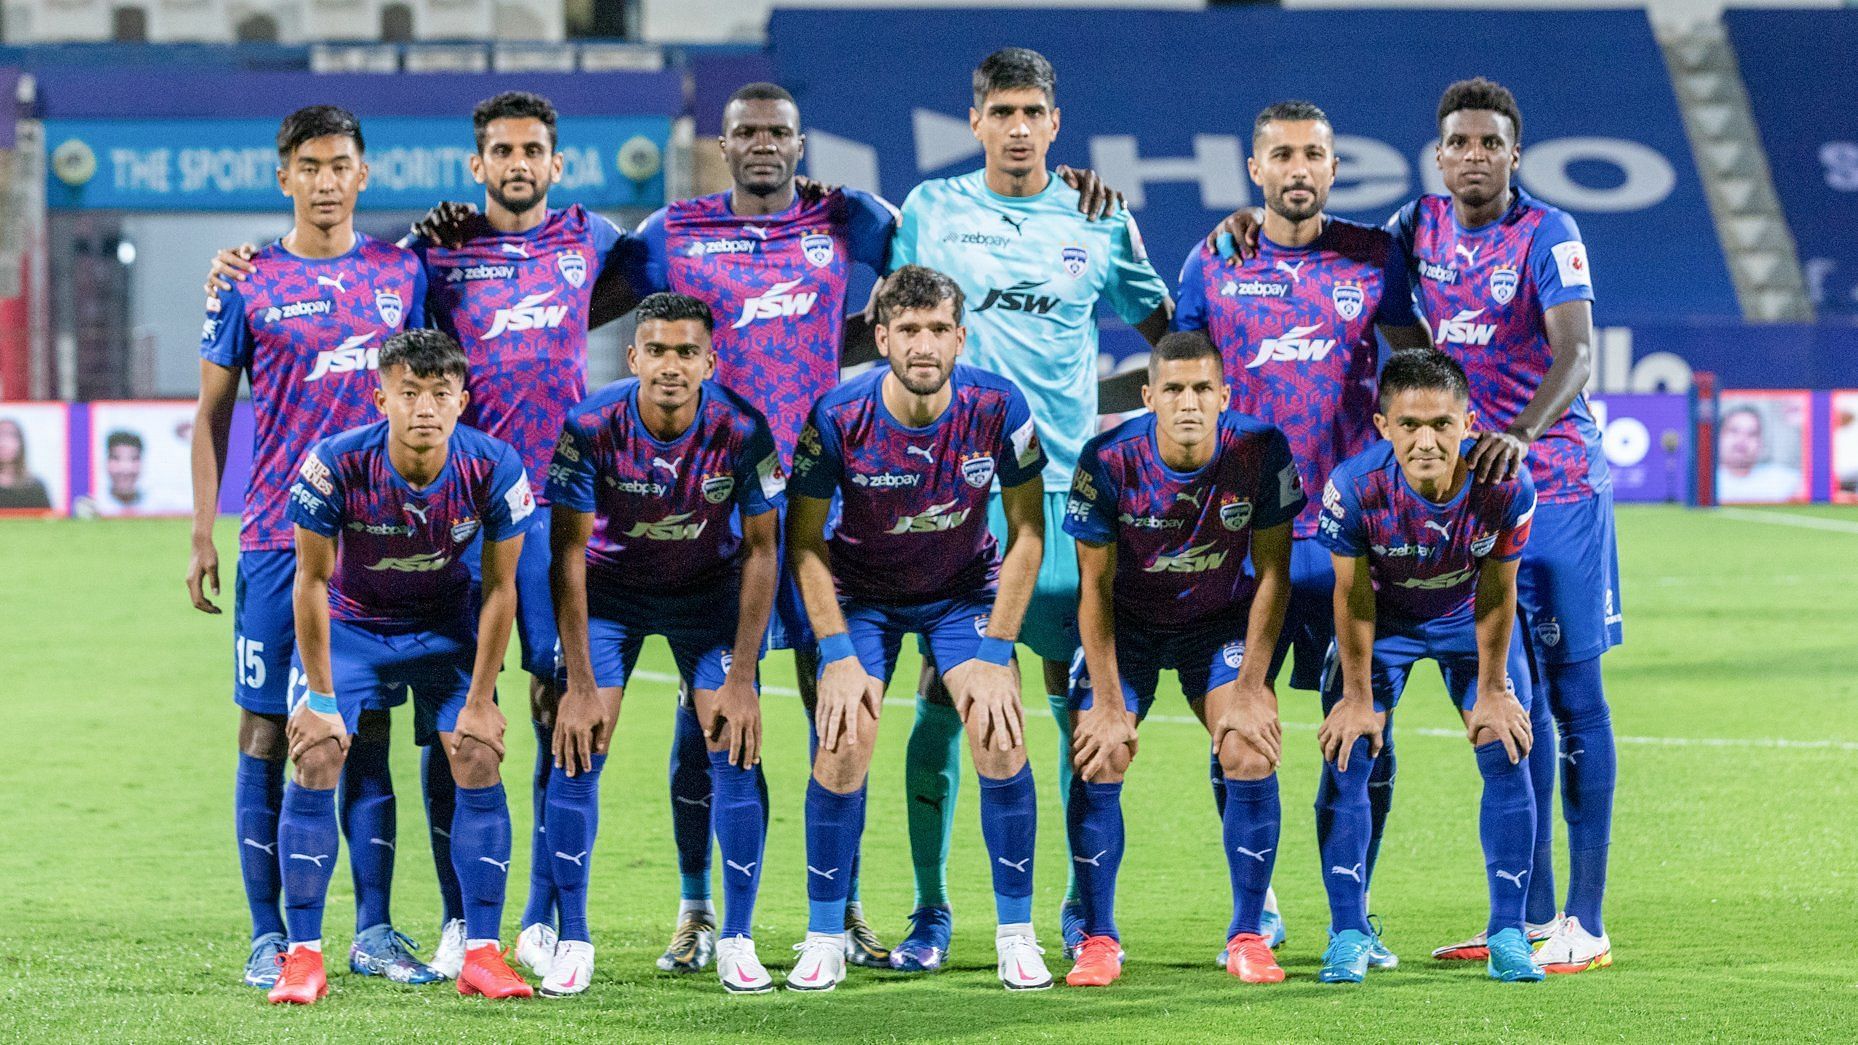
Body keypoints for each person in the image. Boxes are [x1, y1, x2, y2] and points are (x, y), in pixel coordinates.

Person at [612, 82, 1126, 971]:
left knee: (832, 716)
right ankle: (698, 909)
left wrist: (1062, 184)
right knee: (710, 711)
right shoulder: (671, 232)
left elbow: (930, 277)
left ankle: (840, 910)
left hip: (826, 497)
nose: (763, 144)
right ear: (722, 144)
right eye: (746, 132)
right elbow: (582, 306)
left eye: (778, 131)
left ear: (801, 143)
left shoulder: (850, 220)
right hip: (714, 499)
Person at [206, 91, 644, 981]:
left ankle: (515, 920)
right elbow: (221, 405)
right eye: (500, 150)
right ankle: (331, 931)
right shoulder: (412, 261)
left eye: (534, 149)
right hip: (335, 530)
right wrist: (198, 531)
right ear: (475, 165)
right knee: (296, 730)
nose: (519, 163)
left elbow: (645, 292)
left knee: (525, 716)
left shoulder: (550, 246)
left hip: (509, 518)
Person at [886, 46, 1173, 967]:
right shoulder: (932, 210)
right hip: (959, 499)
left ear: (1056, 123)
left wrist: (1132, 407)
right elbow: (892, 326)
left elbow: (1169, 333)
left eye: (1032, 113)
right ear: (976, 121)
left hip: (1069, 496)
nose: (1017, 128)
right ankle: (932, 911)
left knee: (1078, 701)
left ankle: (1085, 909)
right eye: (1000, 111)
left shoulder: (1099, 217)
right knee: (942, 698)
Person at [1173, 100, 1429, 964]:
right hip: (1245, 543)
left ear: (1333, 164)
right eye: (1281, 154)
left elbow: (1422, 372)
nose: (1298, 168)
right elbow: (1182, 389)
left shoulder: (1376, 258)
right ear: (1254, 169)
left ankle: (1352, 912)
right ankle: (1261, 904)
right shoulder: (1212, 263)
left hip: (1354, 542)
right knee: (1239, 726)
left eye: (1313, 154)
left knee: (1363, 731)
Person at [188, 104, 436, 989]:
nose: (326, 182)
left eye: (341, 166)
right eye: (310, 166)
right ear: (284, 176)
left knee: (362, 731)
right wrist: (199, 532)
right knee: (262, 731)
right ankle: (268, 936)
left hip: (375, 544)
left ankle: (373, 931)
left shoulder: (402, 274)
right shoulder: (245, 281)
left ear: (363, 176)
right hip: (271, 540)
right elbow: (212, 416)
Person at [1387, 79, 1617, 973]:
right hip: (1469, 502)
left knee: (1575, 699)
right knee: (1509, 700)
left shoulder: (1550, 234)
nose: (1474, 154)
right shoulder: (1418, 227)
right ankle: (1519, 915)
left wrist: (1516, 434)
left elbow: (1579, 354)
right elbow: (1390, 311)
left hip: (1555, 487)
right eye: (1459, 142)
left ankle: (1586, 921)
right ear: (1439, 155)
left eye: (1490, 141)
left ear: (1514, 153)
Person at [784, 265, 1052, 992]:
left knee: (1000, 731)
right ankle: (823, 934)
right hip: (861, 593)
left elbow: (1030, 530)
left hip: (961, 590)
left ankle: (1016, 935)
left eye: (938, 328)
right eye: (908, 330)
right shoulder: (838, 416)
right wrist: (835, 651)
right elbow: (803, 541)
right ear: (881, 338)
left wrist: (998, 650)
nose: (924, 344)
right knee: (843, 738)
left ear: (960, 336)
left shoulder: (999, 405)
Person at [269, 329, 535, 1004]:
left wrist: (481, 697)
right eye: (409, 392)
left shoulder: (495, 466)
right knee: (319, 750)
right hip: (354, 630)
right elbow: (309, 581)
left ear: (461, 401)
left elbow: (503, 589)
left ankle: (481, 953)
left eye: (440, 394)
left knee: (477, 751)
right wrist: (322, 695)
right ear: (380, 395)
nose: (424, 407)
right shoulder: (333, 463)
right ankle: (302, 957)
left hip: (445, 631)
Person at [543, 293, 786, 996]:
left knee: (733, 746)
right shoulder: (589, 425)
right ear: (633, 357)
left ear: (711, 359)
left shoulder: (742, 428)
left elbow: (765, 551)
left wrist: (743, 674)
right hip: (613, 596)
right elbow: (566, 554)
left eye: (687, 352)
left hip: (707, 595)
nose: (671, 366)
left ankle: (736, 938)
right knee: (579, 744)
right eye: (657, 350)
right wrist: (581, 684)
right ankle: (574, 939)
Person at [1062, 332, 1301, 988]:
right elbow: (1095, 589)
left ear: (1225, 395)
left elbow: (1275, 574)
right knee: (1099, 748)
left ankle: (1250, 933)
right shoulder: (1108, 458)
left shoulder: (1260, 450)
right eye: (1174, 389)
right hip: (1129, 626)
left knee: (1250, 743)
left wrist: (1252, 684)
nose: (1189, 402)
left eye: (1202, 389)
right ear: (1149, 396)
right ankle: (1097, 934)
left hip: (1215, 622)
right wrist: (1109, 702)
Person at [1312, 348, 1543, 985]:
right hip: (1381, 622)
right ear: (1382, 426)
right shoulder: (1355, 486)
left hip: (1466, 619)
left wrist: (1494, 689)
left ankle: (1508, 932)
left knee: (1506, 743)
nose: (1426, 440)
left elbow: (1500, 589)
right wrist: (1357, 697)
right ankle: (1348, 932)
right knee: (1348, 751)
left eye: (1441, 423)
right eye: (1409, 424)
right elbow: (1352, 595)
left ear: (1467, 424)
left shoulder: (1506, 485)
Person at [1716, 404, 1803, 502]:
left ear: (1761, 444)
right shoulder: (1702, 483)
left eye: (1752, 434)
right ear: (1719, 436)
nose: (1742, 440)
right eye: (1734, 431)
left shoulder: (1782, 480)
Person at [0, 417, 52, 510]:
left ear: (20, 443)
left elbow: (48, 519)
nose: (3, 442)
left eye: (10, 436)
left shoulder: (35, 487)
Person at [95, 430, 145, 515]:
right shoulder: (95, 506)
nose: (125, 468)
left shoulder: (160, 507)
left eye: (134, 459)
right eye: (116, 458)